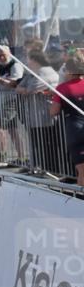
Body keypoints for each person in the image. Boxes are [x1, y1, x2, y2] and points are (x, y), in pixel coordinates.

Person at [49, 50, 84, 186]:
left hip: (75, 130)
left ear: (68, 70)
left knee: (82, 170)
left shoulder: (62, 88)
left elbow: (54, 111)